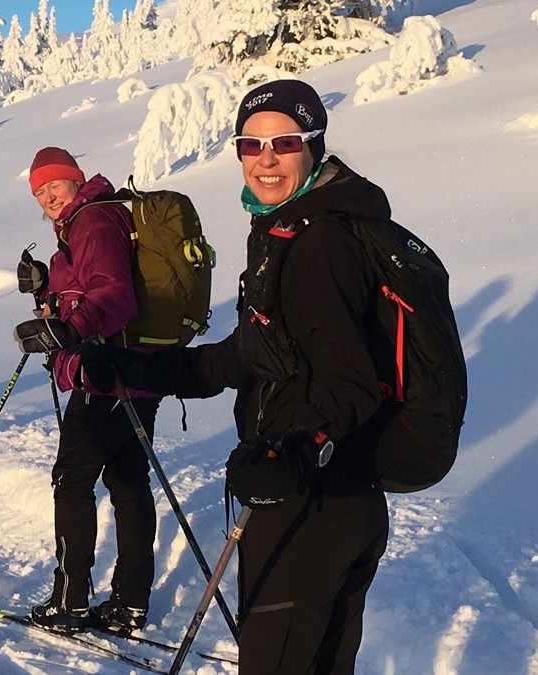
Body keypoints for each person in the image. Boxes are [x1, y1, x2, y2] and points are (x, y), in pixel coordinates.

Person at [84, 79, 394, 674]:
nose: (266, 158)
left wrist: (299, 451)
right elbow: (244, 357)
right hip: (329, 497)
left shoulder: (319, 244)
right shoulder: (288, 231)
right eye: (250, 144)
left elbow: (350, 380)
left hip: (308, 504)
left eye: (284, 142)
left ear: (315, 146)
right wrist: (133, 366)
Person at [8, 147, 163, 636]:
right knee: (128, 483)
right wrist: (44, 293)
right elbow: (83, 293)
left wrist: (66, 333)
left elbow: (114, 296)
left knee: (73, 481)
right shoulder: (92, 220)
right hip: (137, 371)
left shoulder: (93, 222)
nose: (48, 196)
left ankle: (71, 601)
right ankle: (129, 602)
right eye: (39, 191)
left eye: (55, 184)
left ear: (76, 181)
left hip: (104, 374)